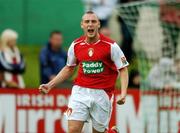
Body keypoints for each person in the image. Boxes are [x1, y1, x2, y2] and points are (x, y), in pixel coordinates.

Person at [39, 11, 129, 133]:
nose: (90, 24)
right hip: (80, 91)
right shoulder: (76, 45)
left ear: (98, 25)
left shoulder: (111, 46)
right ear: (82, 25)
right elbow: (69, 68)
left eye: (93, 21)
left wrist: (123, 94)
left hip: (102, 94)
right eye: (87, 21)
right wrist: (50, 85)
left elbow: (123, 69)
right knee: (73, 130)